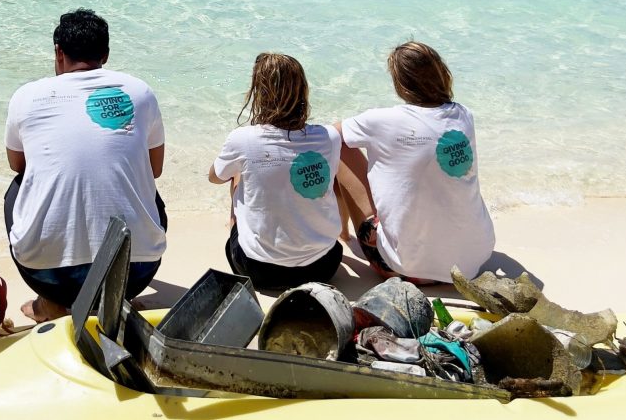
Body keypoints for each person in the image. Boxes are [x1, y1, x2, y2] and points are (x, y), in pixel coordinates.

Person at [4, 9, 166, 322]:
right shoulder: (139, 91)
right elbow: (155, 169)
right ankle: (115, 299)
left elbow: (17, 163)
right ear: (105, 54)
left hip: (49, 278)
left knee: (18, 186)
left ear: (58, 52)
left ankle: (50, 304)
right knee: (145, 184)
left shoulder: (27, 96)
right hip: (136, 273)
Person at [336, 41, 495, 284]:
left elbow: (324, 137)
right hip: (473, 263)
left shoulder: (382, 120)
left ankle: (342, 232)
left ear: (400, 83)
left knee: (340, 147)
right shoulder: (464, 115)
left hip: (407, 268)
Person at [209, 53, 344, 290]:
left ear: (259, 94)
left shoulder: (244, 139)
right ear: (303, 90)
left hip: (258, 270)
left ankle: (240, 230)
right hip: (323, 267)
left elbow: (214, 177)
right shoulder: (329, 137)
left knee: (237, 175)